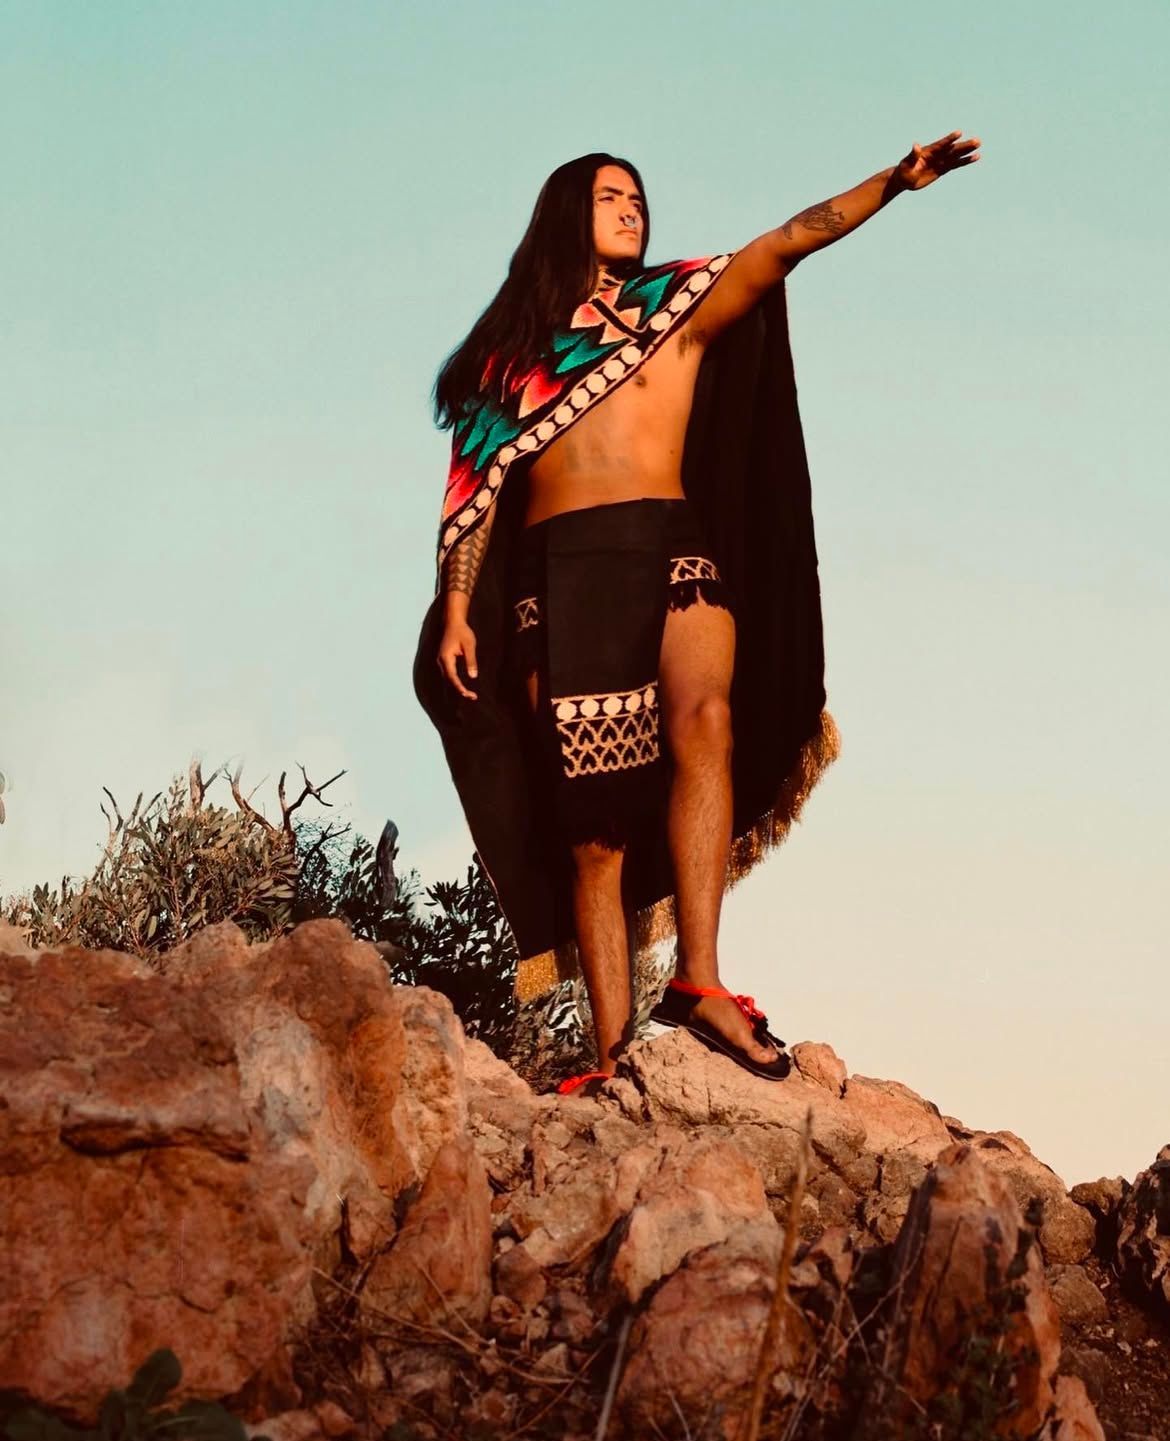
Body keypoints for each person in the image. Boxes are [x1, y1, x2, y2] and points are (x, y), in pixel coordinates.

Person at [414, 135, 980, 1095]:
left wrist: (892, 183)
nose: (633, 207)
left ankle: (701, 981)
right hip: (562, 571)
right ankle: (610, 1051)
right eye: (610, 195)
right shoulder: (510, 359)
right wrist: (459, 607)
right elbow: (473, 491)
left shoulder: (671, 307)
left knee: (706, 720)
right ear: (567, 213)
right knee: (593, 828)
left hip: (671, 539)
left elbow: (786, 242)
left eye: (638, 196)